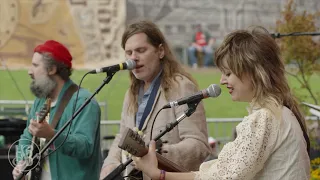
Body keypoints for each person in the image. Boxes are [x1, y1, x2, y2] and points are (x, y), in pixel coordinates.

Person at [132, 26, 311, 179]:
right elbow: (219, 171)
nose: (222, 81)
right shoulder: (279, 112)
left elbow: (223, 176)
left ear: (253, 72)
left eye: (228, 73)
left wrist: (159, 175)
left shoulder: (265, 118)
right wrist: (161, 174)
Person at [100, 20, 211, 180]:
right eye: (129, 52)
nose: (134, 58)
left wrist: (157, 152)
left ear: (160, 51)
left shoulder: (181, 87)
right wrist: (110, 164)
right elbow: (123, 136)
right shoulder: (130, 93)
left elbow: (198, 145)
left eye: (141, 50)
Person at [12, 40, 102, 180]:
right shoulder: (41, 100)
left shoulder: (83, 101)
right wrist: (22, 163)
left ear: (52, 69)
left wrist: (52, 135)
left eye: (35, 65)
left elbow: (85, 147)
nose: (30, 71)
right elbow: (27, 137)